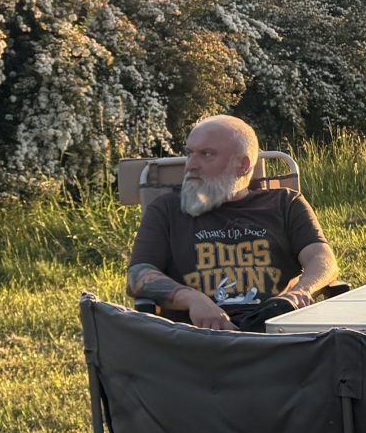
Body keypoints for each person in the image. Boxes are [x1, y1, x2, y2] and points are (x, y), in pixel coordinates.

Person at [126, 115, 337, 331]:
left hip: (276, 335)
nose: (190, 166)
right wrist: (192, 299)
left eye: (206, 154)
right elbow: (138, 274)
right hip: (196, 342)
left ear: (243, 165)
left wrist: (300, 292)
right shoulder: (167, 209)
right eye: (190, 153)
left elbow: (321, 258)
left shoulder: (284, 203)